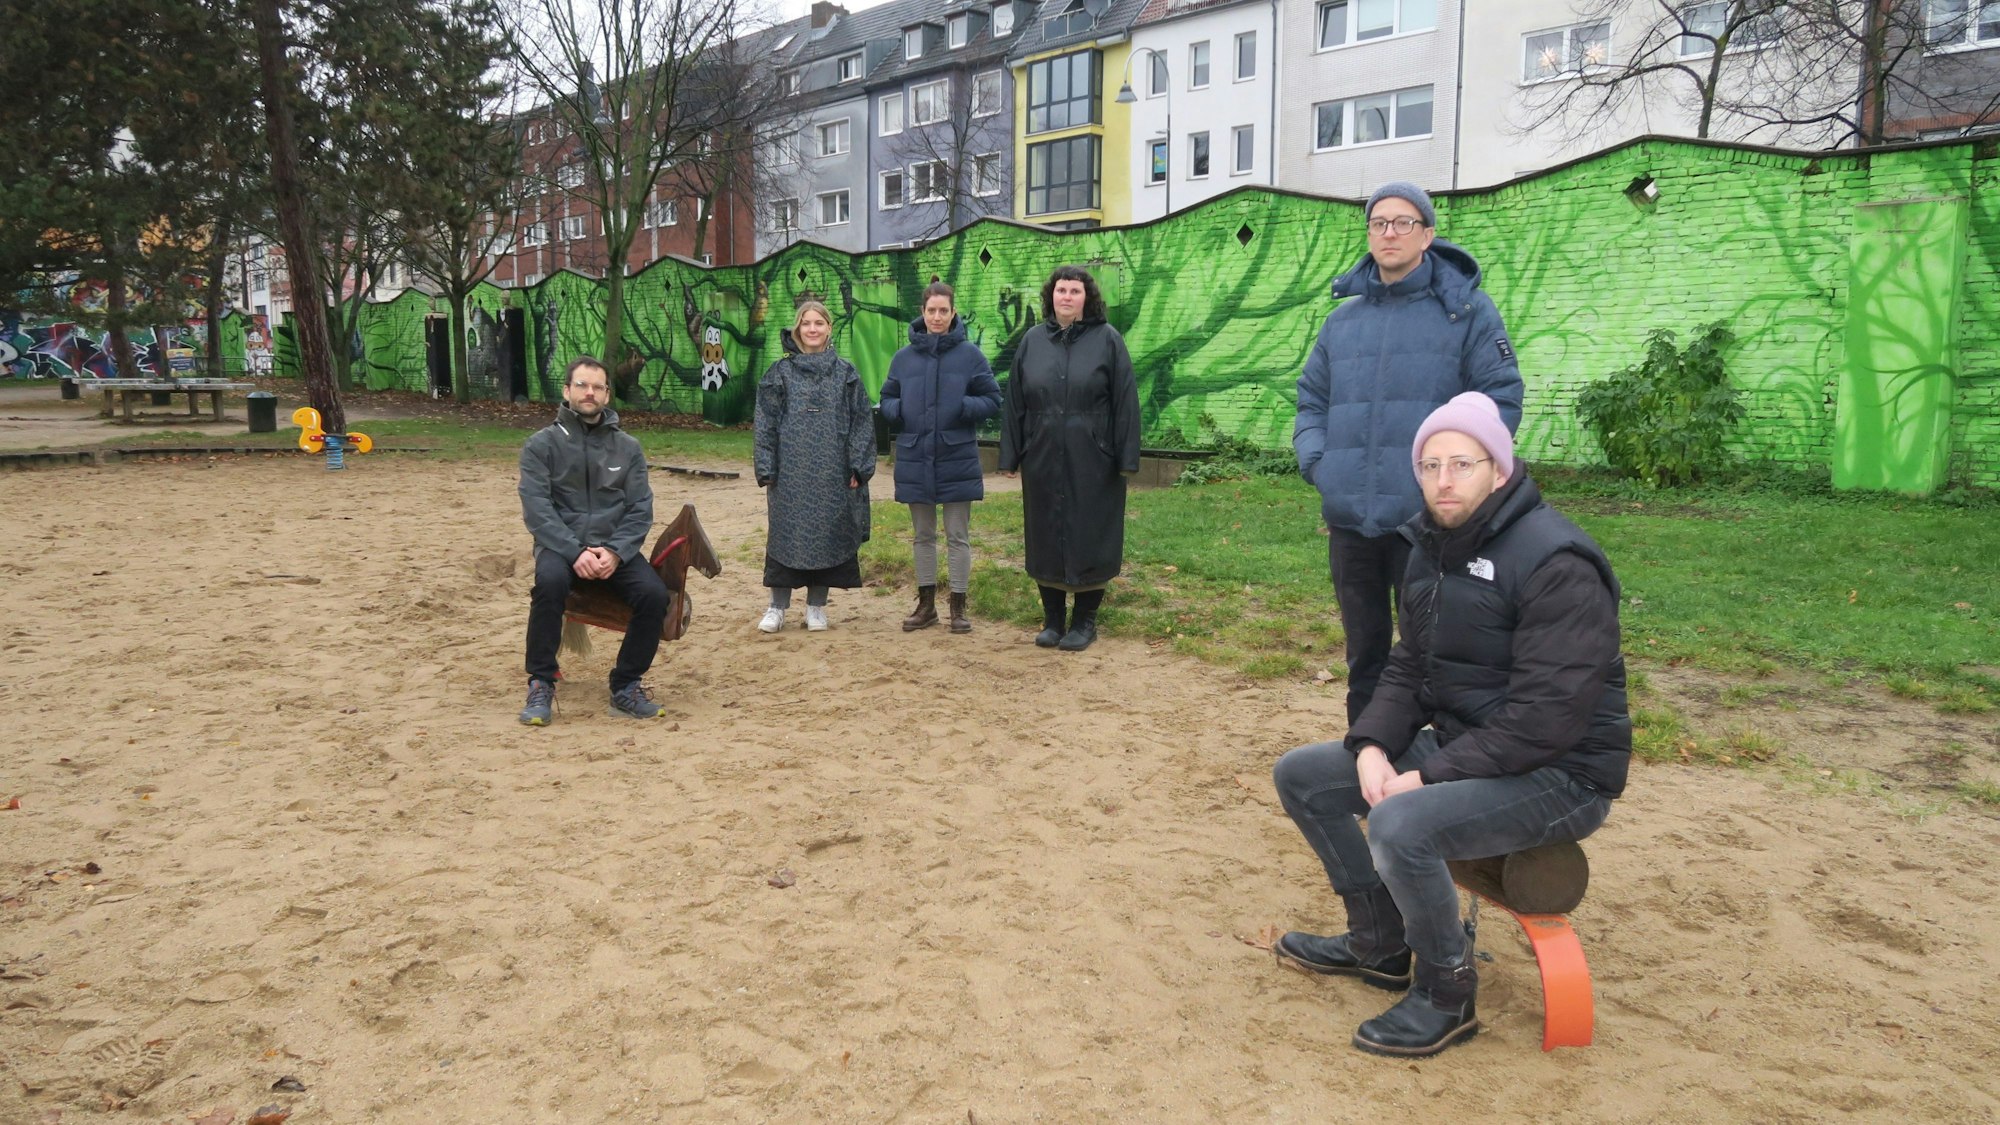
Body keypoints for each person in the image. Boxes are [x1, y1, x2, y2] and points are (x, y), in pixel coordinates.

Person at [1270, 392, 1630, 1058]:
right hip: (1475, 745)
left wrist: (1425, 775)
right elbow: (1410, 664)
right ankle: (1379, 943)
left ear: (1499, 467)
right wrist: (1372, 743)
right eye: (1430, 464)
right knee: (1306, 776)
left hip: (1562, 772)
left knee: (1401, 822)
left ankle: (1446, 988)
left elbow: (1546, 719)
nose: (1443, 480)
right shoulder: (1431, 546)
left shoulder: (1557, 563)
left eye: (1462, 463)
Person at [1293, 181, 1524, 724]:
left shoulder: (1466, 313)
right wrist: (1321, 466)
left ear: (1428, 235)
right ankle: (1365, 756)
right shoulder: (1341, 322)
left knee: (1440, 654)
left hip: (1431, 522)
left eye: (1403, 223)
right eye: (1379, 223)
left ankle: (1435, 772)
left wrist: (1461, 481)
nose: (1389, 233)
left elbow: (1501, 400)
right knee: (1365, 656)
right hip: (1352, 520)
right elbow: (1311, 400)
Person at [517, 356, 668, 724]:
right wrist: (574, 551)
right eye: (582, 385)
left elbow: (639, 510)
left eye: (597, 387)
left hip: (614, 547)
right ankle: (541, 681)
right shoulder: (541, 446)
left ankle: (626, 684)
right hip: (561, 546)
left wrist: (616, 552)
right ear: (567, 391)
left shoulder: (628, 448)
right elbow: (538, 510)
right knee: (549, 583)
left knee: (655, 595)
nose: (590, 393)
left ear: (607, 395)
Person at [998, 265, 1140, 653]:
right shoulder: (1032, 341)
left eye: (1075, 291)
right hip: (1041, 453)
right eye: (1061, 290)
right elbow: (1015, 401)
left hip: (1094, 457)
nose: (1066, 297)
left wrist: (1125, 457)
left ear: (1086, 298)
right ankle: (1053, 620)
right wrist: (1011, 454)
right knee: (1045, 532)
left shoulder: (1108, 340)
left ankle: (1085, 622)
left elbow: (1126, 402)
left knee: (1089, 533)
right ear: (1051, 296)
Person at [879, 281, 1003, 634]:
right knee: (922, 535)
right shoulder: (903, 359)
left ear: (953, 313)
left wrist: (963, 406)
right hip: (915, 455)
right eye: (931, 310)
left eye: (943, 311)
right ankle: (926, 605)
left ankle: (958, 607)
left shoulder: (971, 356)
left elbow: (993, 399)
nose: (937, 317)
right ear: (922, 312)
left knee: (957, 536)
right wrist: (899, 409)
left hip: (956, 456)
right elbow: (886, 397)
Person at [753, 300, 875, 633]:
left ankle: (816, 608)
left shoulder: (846, 374)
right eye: (806, 323)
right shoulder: (779, 373)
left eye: (818, 323)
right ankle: (777, 607)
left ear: (829, 328)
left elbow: (862, 421)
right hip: (790, 475)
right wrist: (766, 466)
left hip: (832, 474)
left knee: (827, 537)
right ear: (797, 328)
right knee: (785, 538)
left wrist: (859, 466)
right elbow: (765, 422)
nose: (812, 329)